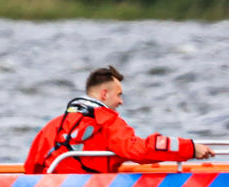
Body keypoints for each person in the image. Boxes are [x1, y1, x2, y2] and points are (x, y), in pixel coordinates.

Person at [23, 65, 213, 174]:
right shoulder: (106, 123)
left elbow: (32, 166)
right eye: (119, 95)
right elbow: (139, 151)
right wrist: (189, 148)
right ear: (104, 94)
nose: (121, 101)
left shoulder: (54, 126)